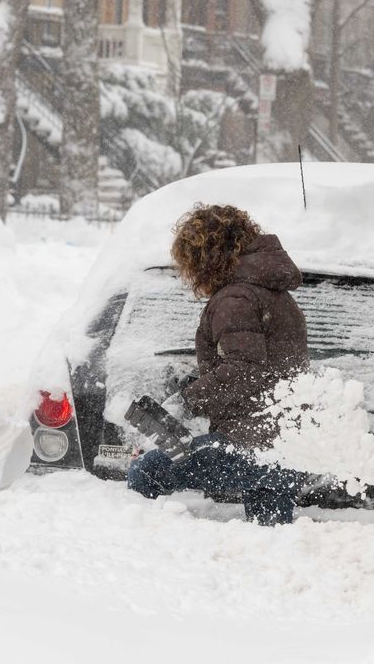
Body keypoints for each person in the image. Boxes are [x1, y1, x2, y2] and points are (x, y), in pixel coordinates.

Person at [127, 204, 311, 525]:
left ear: (205, 256)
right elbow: (262, 367)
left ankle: (142, 556)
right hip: (287, 445)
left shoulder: (235, 299)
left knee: (147, 471)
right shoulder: (274, 294)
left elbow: (245, 370)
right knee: (270, 535)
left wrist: (187, 401)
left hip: (252, 446)